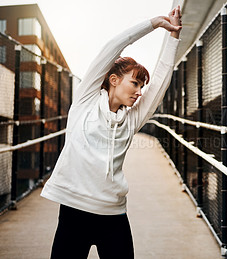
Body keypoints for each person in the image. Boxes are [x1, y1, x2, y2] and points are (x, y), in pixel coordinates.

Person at [40, 6, 182, 259]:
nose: (139, 91)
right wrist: (152, 24)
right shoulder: (85, 101)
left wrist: (173, 38)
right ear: (114, 80)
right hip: (74, 211)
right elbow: (113, 47)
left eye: (141, 86)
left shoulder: (133, 118)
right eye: (135, 83)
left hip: (113, 215)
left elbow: (161, 80)